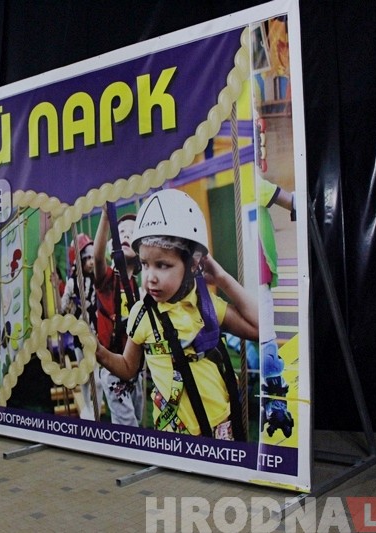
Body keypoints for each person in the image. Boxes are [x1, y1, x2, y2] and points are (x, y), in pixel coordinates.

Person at [95, 188, 259, 439]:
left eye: (163, 265)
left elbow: (259, 328)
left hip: (220, 429)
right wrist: (99, 353)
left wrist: (221, 277)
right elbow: (128, 367)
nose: (150, 277)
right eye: (145, 264)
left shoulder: (205, 305)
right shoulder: (142, 314)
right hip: (173, 433)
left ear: (192, 264)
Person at [93, 208, 143, 427]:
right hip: (113, 367)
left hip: (135, 368)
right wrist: (106, 217)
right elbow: (97, 258)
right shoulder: (108, 281)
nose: (126, 235)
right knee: (127, 424)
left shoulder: (138, 287)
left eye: (132, 233)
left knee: (137, 418)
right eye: (121, 232)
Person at [255, 175, 296, 438]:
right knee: (265, 344)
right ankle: (275, 404)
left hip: (251, 277)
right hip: (256, 278)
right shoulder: (252, 181)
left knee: (262, 345)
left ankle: (274, 405)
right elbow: (289, 201)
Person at [54, 233, 98, 420]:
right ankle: (87, 407)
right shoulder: (72, 283)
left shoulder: (96, 280)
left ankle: (95, 407)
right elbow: (63, 307)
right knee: (85, 374)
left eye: (92, 258)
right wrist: (67, 307)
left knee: (97, 377)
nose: (90, 262)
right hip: (80, 334)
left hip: (95, 332)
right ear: (79, 260)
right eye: (86, 258)